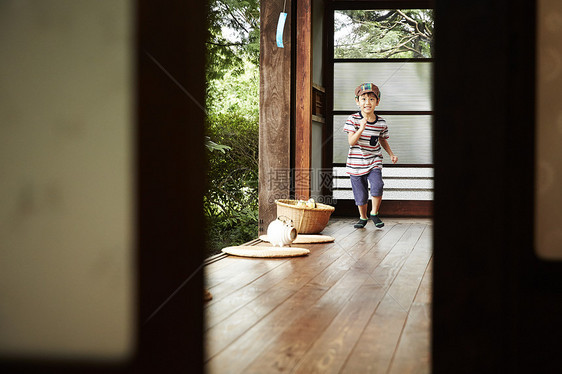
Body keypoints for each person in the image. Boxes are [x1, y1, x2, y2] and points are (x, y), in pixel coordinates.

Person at [343, 82, 398, 229]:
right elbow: (351, 142)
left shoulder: (381, 123)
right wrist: (361, 128)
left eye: (372, 99)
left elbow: (382, 139)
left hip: (374, 160)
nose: (367, 102)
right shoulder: (352, 119)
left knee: (378, 185)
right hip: (355, 164)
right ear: (357, 101)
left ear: (377, 102)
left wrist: (391, 154)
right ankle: (363, 217)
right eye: (363, 99)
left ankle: (374, 213)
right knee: (360, 195)